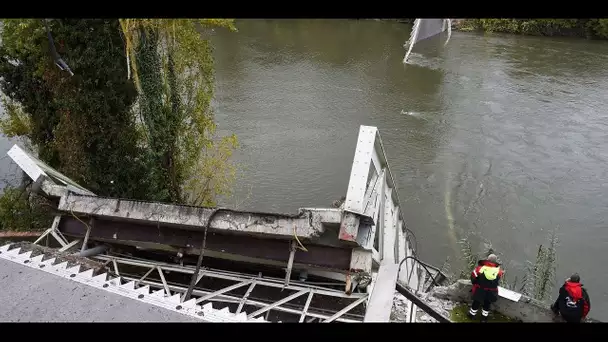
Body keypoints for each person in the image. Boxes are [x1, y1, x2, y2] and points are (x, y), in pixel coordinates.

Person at [468, 254, 503, 322]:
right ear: (495, 261)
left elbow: (473, 277)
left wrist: (475, 283)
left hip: (480, 289)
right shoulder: (499, 271)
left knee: (476, 302)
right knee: (487, 304)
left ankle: (471, 315)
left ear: (487, 259)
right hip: (492, 291)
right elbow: (498, 280)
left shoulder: (480, 268)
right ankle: (484, 319)